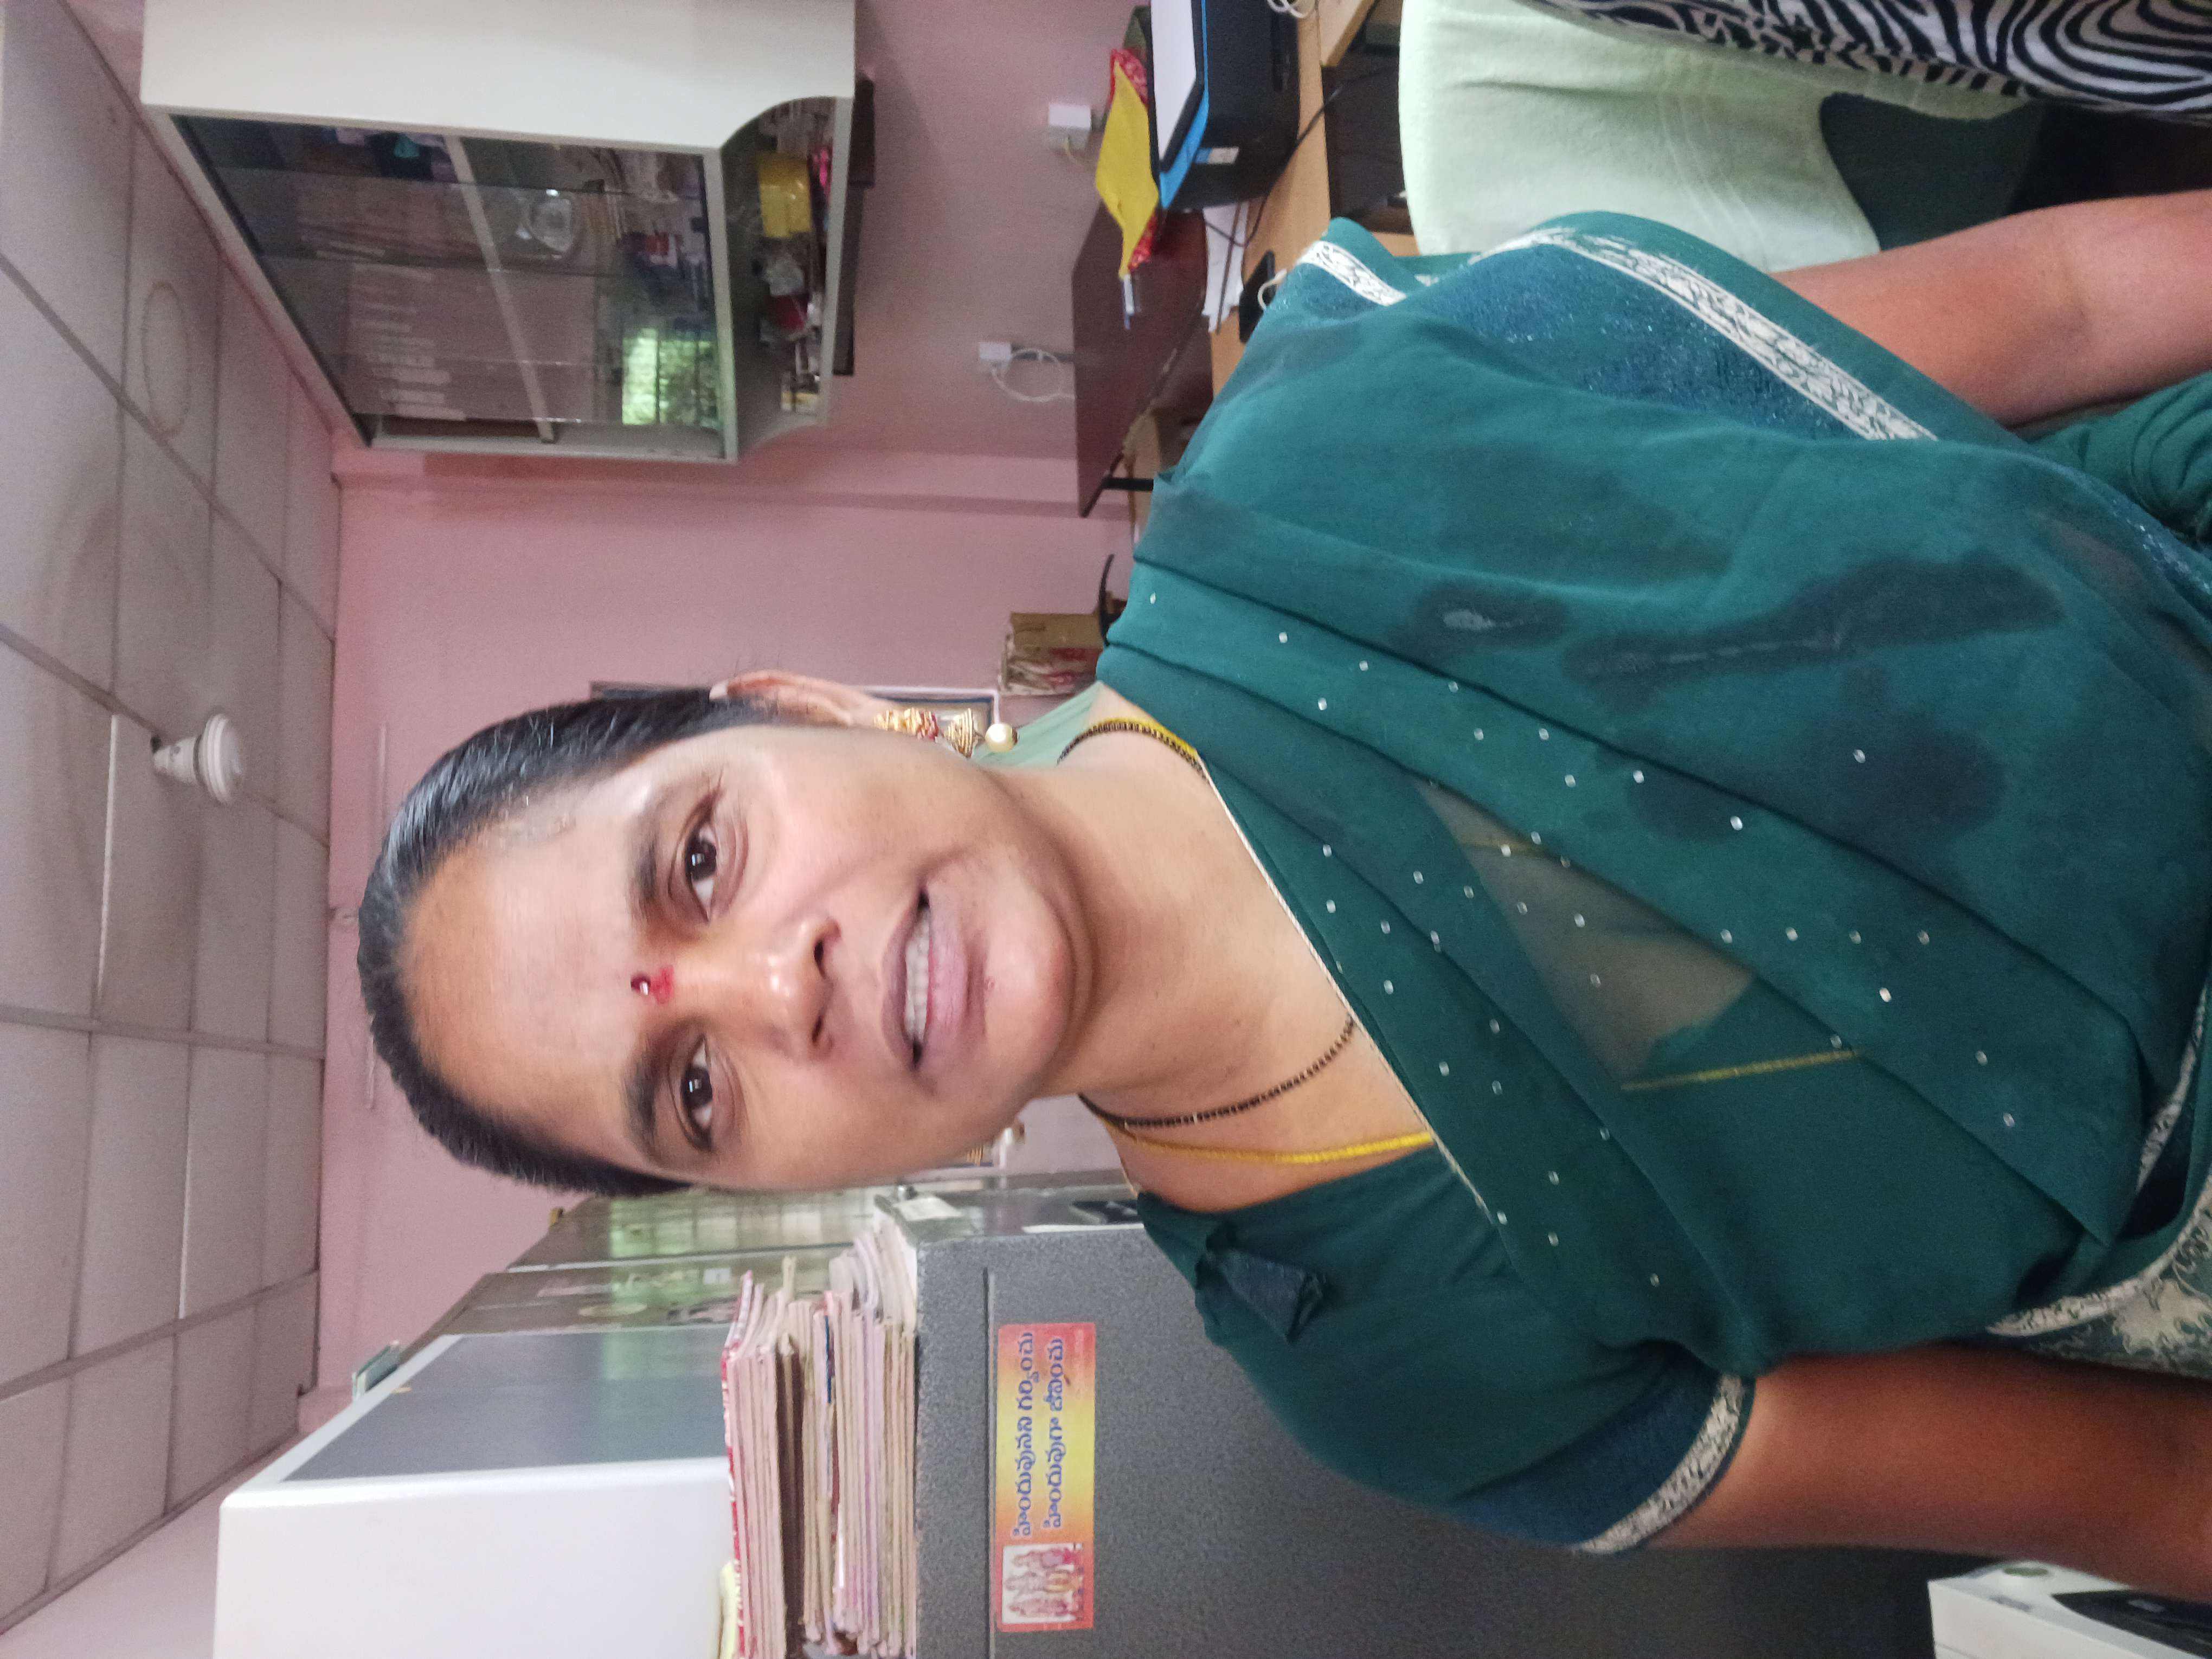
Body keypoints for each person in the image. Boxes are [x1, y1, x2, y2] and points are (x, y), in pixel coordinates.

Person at [359, 189, 2212, 1592]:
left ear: (813, 708)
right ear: (779, 1188)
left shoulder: (1345, 446)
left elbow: (2061, 305)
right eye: (695, 1091)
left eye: (701, 862)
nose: (784, 989)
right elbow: (2134, 1483)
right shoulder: (1394, 1355)